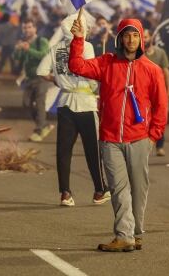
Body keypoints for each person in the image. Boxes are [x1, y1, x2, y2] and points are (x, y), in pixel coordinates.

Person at [69, 15, 168, 252]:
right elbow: (77, 66)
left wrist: (153, 136)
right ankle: (124, 235)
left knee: (138, 188)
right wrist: (78, 39)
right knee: (119, 189)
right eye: (127, 35)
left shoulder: (152, 70)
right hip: (110, 139)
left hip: (140, 139)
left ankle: (134, 232)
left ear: (142, 39)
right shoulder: (106, 63)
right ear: (120, 38)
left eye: (136, 35)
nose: (131, 39)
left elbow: (161, 106)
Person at [38, 14, 109, 207]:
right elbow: (91, 72)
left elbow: (42, 71)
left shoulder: (55, 49)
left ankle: (65, 193)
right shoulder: (86, 47)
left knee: (63, 151)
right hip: (85, 102)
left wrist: (59, 80)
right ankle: (99, 191)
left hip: (64, 102)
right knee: (92, 150)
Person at [13, 19, 53, 141]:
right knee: (26, 104)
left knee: (40, 103)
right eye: (25, 28)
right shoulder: (24, 42)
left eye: (30, 27)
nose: (27, 30)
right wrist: (18, 49)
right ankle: (44, 124)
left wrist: (28, 49)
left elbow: (43, 55)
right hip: (29, 78)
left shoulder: (42, 41)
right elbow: (17, 59)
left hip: (42, 77)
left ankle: (39, 130)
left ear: (35, 28)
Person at [143, 28, 169, 156]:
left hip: (157, 92)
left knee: (159, 118)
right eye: (142, 37)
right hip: (143, 93)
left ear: (151, 38)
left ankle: (160, 146)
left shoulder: (160, 53)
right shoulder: (138, 54)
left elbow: (166, 72)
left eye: (146, 37)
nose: (144, 39)